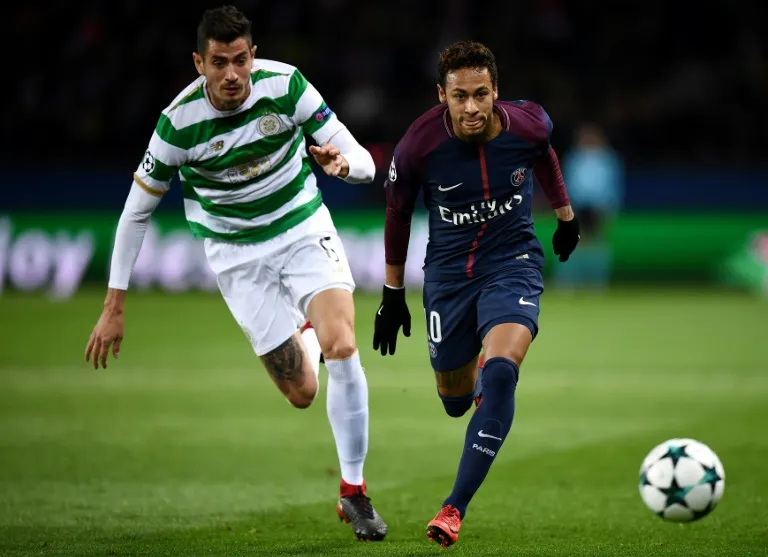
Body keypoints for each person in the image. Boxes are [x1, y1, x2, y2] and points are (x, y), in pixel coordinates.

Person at [84, 5, 387, 542]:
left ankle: (354, 491)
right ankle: (307, 332)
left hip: (301, 227)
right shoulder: (177, 124)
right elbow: (135, 212)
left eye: (240, 60)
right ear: (199, 63)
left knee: (343, 345)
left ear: (253, 55)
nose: (232, 74)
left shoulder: (286, 86)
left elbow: (360, 157)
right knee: (301, 391)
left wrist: (346, 167)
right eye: (219, 62)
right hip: (236, 255)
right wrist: (114, 305)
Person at [372, 40, 579, 547]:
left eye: (480, 94)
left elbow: (545, 156)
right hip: (448, 277)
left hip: (513, 263)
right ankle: (479, 381)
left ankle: (453, 507)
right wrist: (393, 293)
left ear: (495, 92)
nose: (471, 107)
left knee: (502, 372)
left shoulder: (529, 125)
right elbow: (398, 213)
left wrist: (565, 216)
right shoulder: (417, 146)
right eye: (459, 95)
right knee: (454, 400)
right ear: (441, 95)